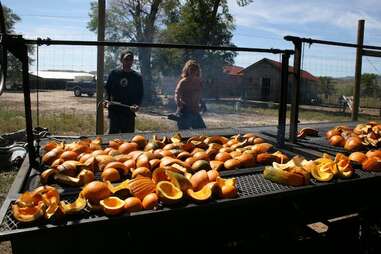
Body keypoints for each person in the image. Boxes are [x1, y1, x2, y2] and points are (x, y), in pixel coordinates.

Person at [104, 50, 144, 134]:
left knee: (128, 138)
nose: (128, 62)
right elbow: (107, 88)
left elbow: (140, 94)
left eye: (130, 59)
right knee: (112, 137)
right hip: (114, 110)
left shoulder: (137, 77)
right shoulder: (114, 73)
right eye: (126, 59)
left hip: (129, 111)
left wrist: (137, 105)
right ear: (121, 60)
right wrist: (106, 100)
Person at [174, 60, 206, 130]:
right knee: (184, 134)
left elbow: (199, 95)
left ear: (198, 71)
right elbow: (177, 94)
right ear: (187, 70)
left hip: (195, 111)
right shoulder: (183, 82)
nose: (193, 71)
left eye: (195, 69)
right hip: (185, 111)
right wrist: (179, 103)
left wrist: (202, 103)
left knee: (202, 132)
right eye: (191, 69)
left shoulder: (199, 82)